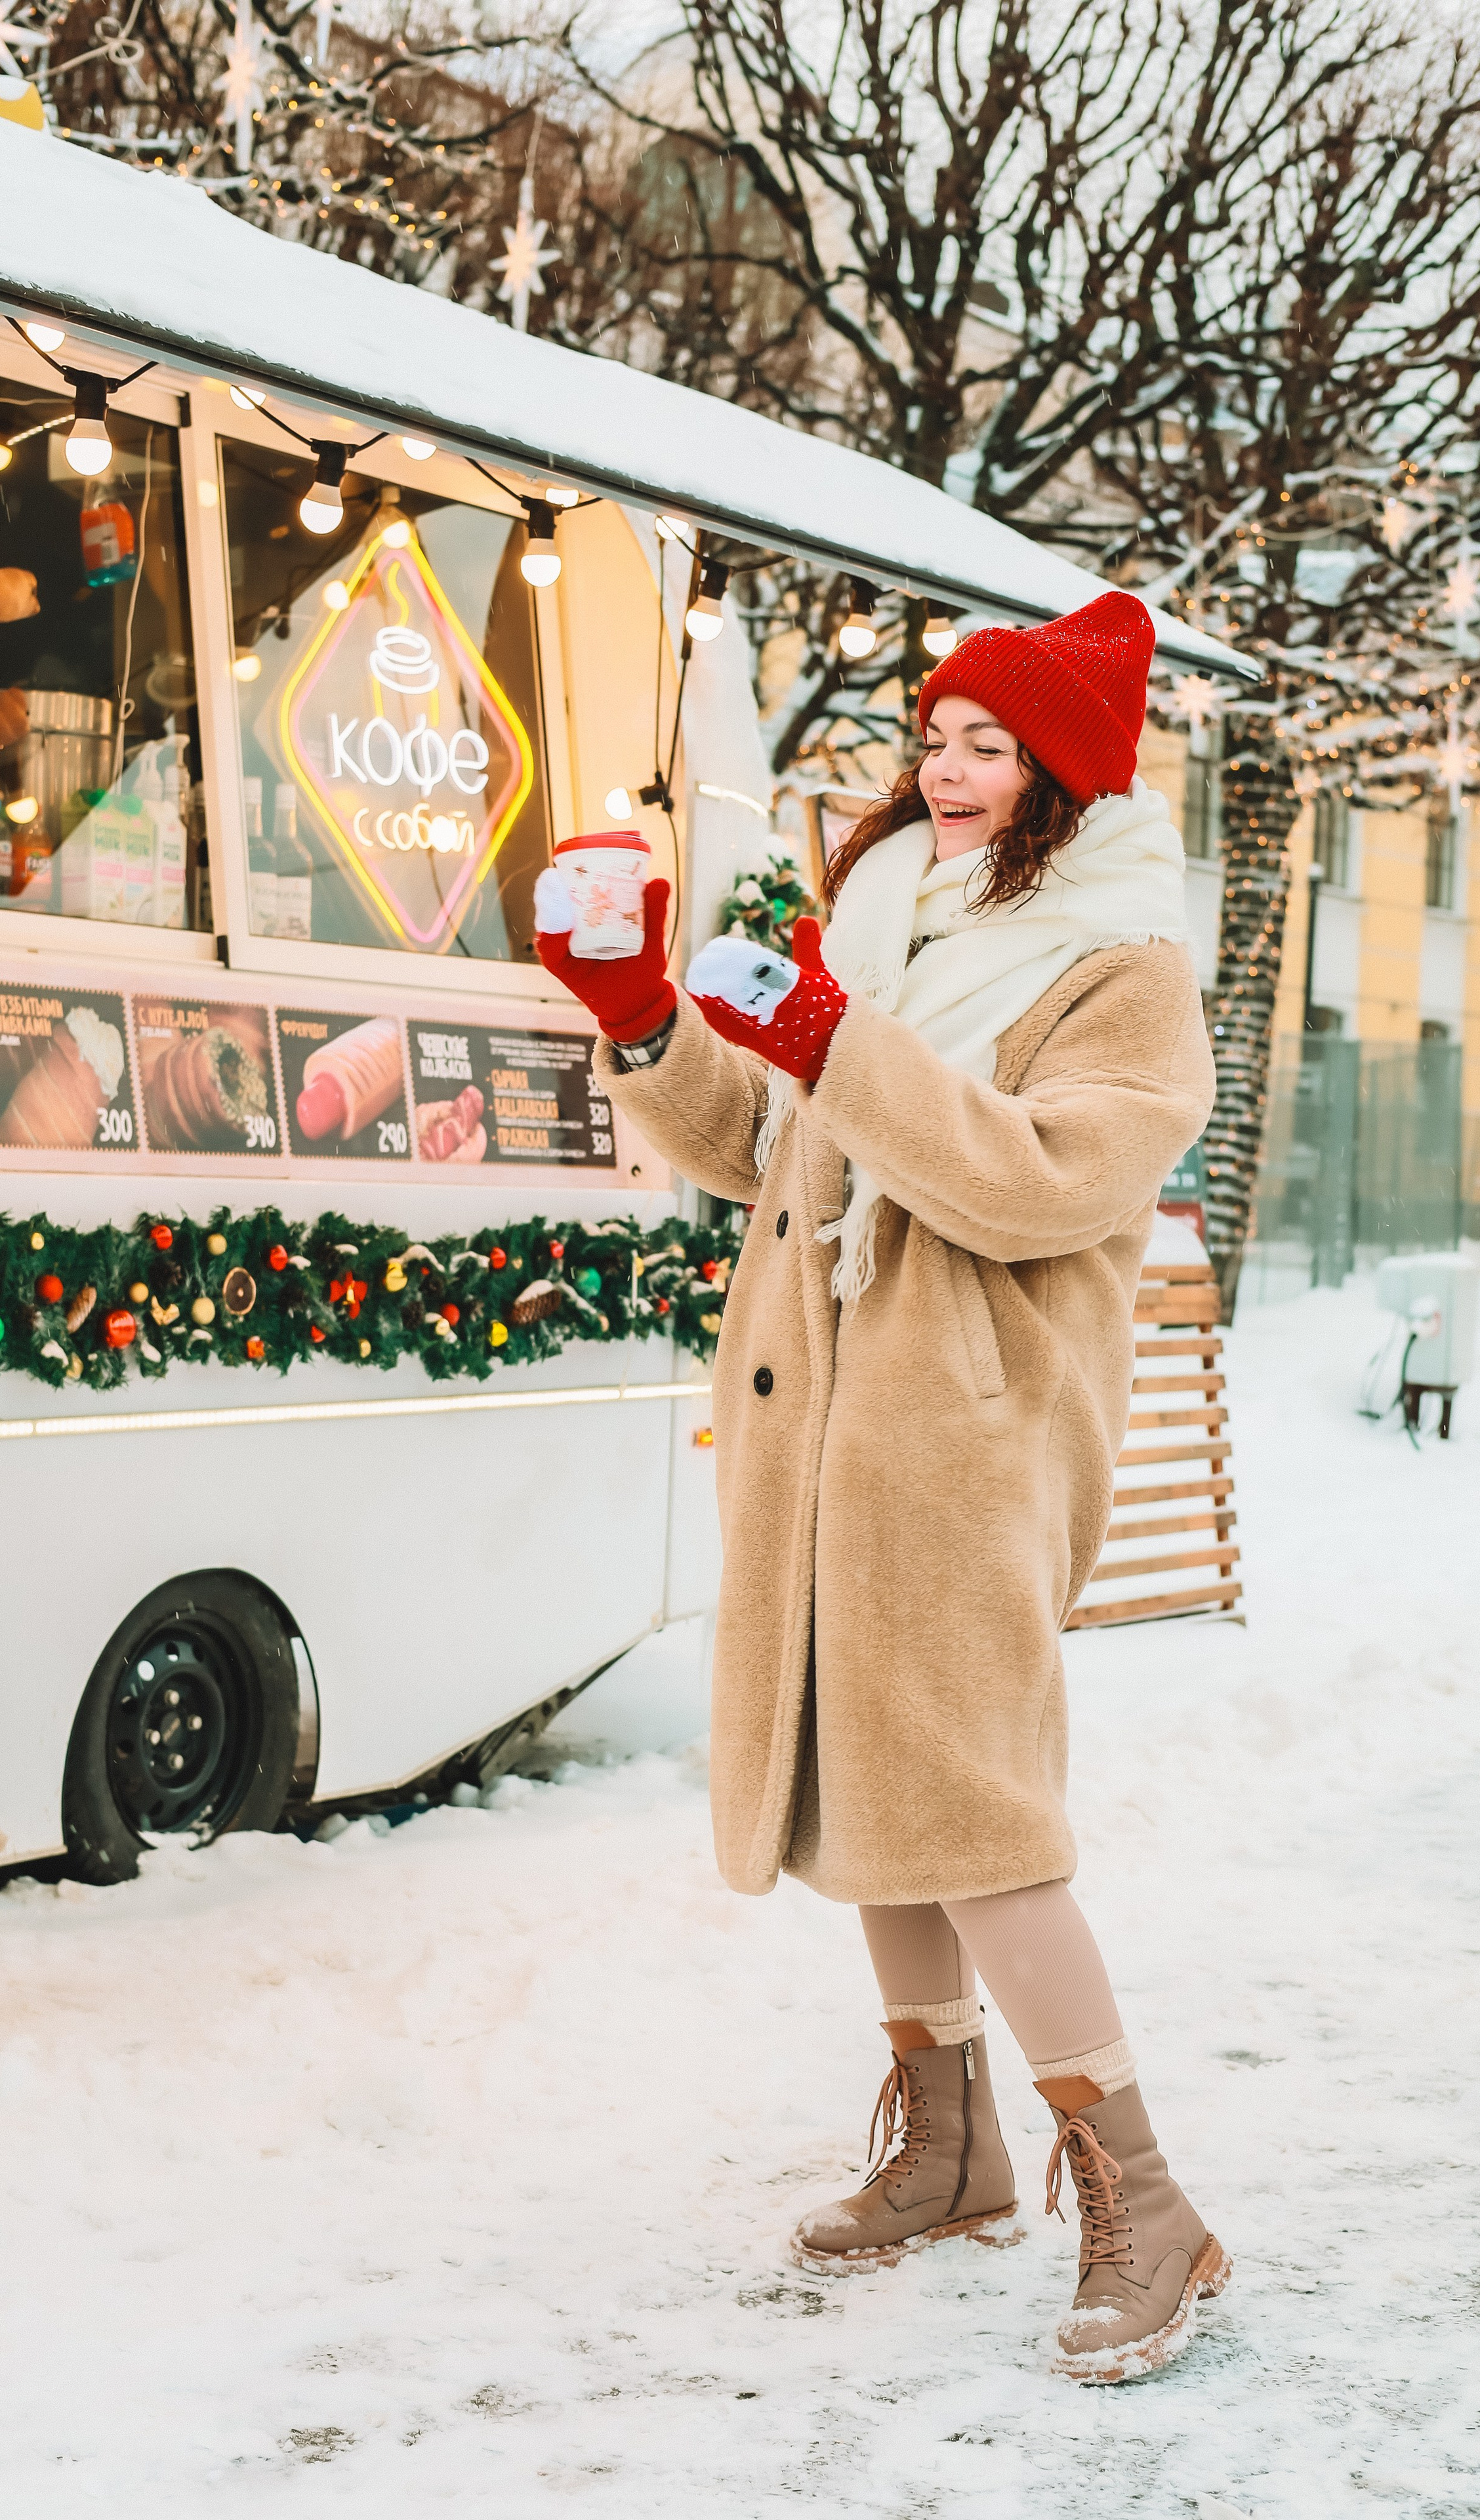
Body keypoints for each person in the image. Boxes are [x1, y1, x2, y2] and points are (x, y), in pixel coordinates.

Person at [535, 591, 1227, 2386]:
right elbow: (780, 1152)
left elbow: (1040, 1182)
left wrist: (843, 1038)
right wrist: (643, 1024)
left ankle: (1147, 2204)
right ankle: (950, 2143)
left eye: (991, 746)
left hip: (970, 1443)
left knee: (984, 1829)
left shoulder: (1123, 973)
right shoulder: (887, 925)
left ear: (1070, 776)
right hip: (829, 1428)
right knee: (871, 1801)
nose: (948, 771)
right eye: (936, 738)